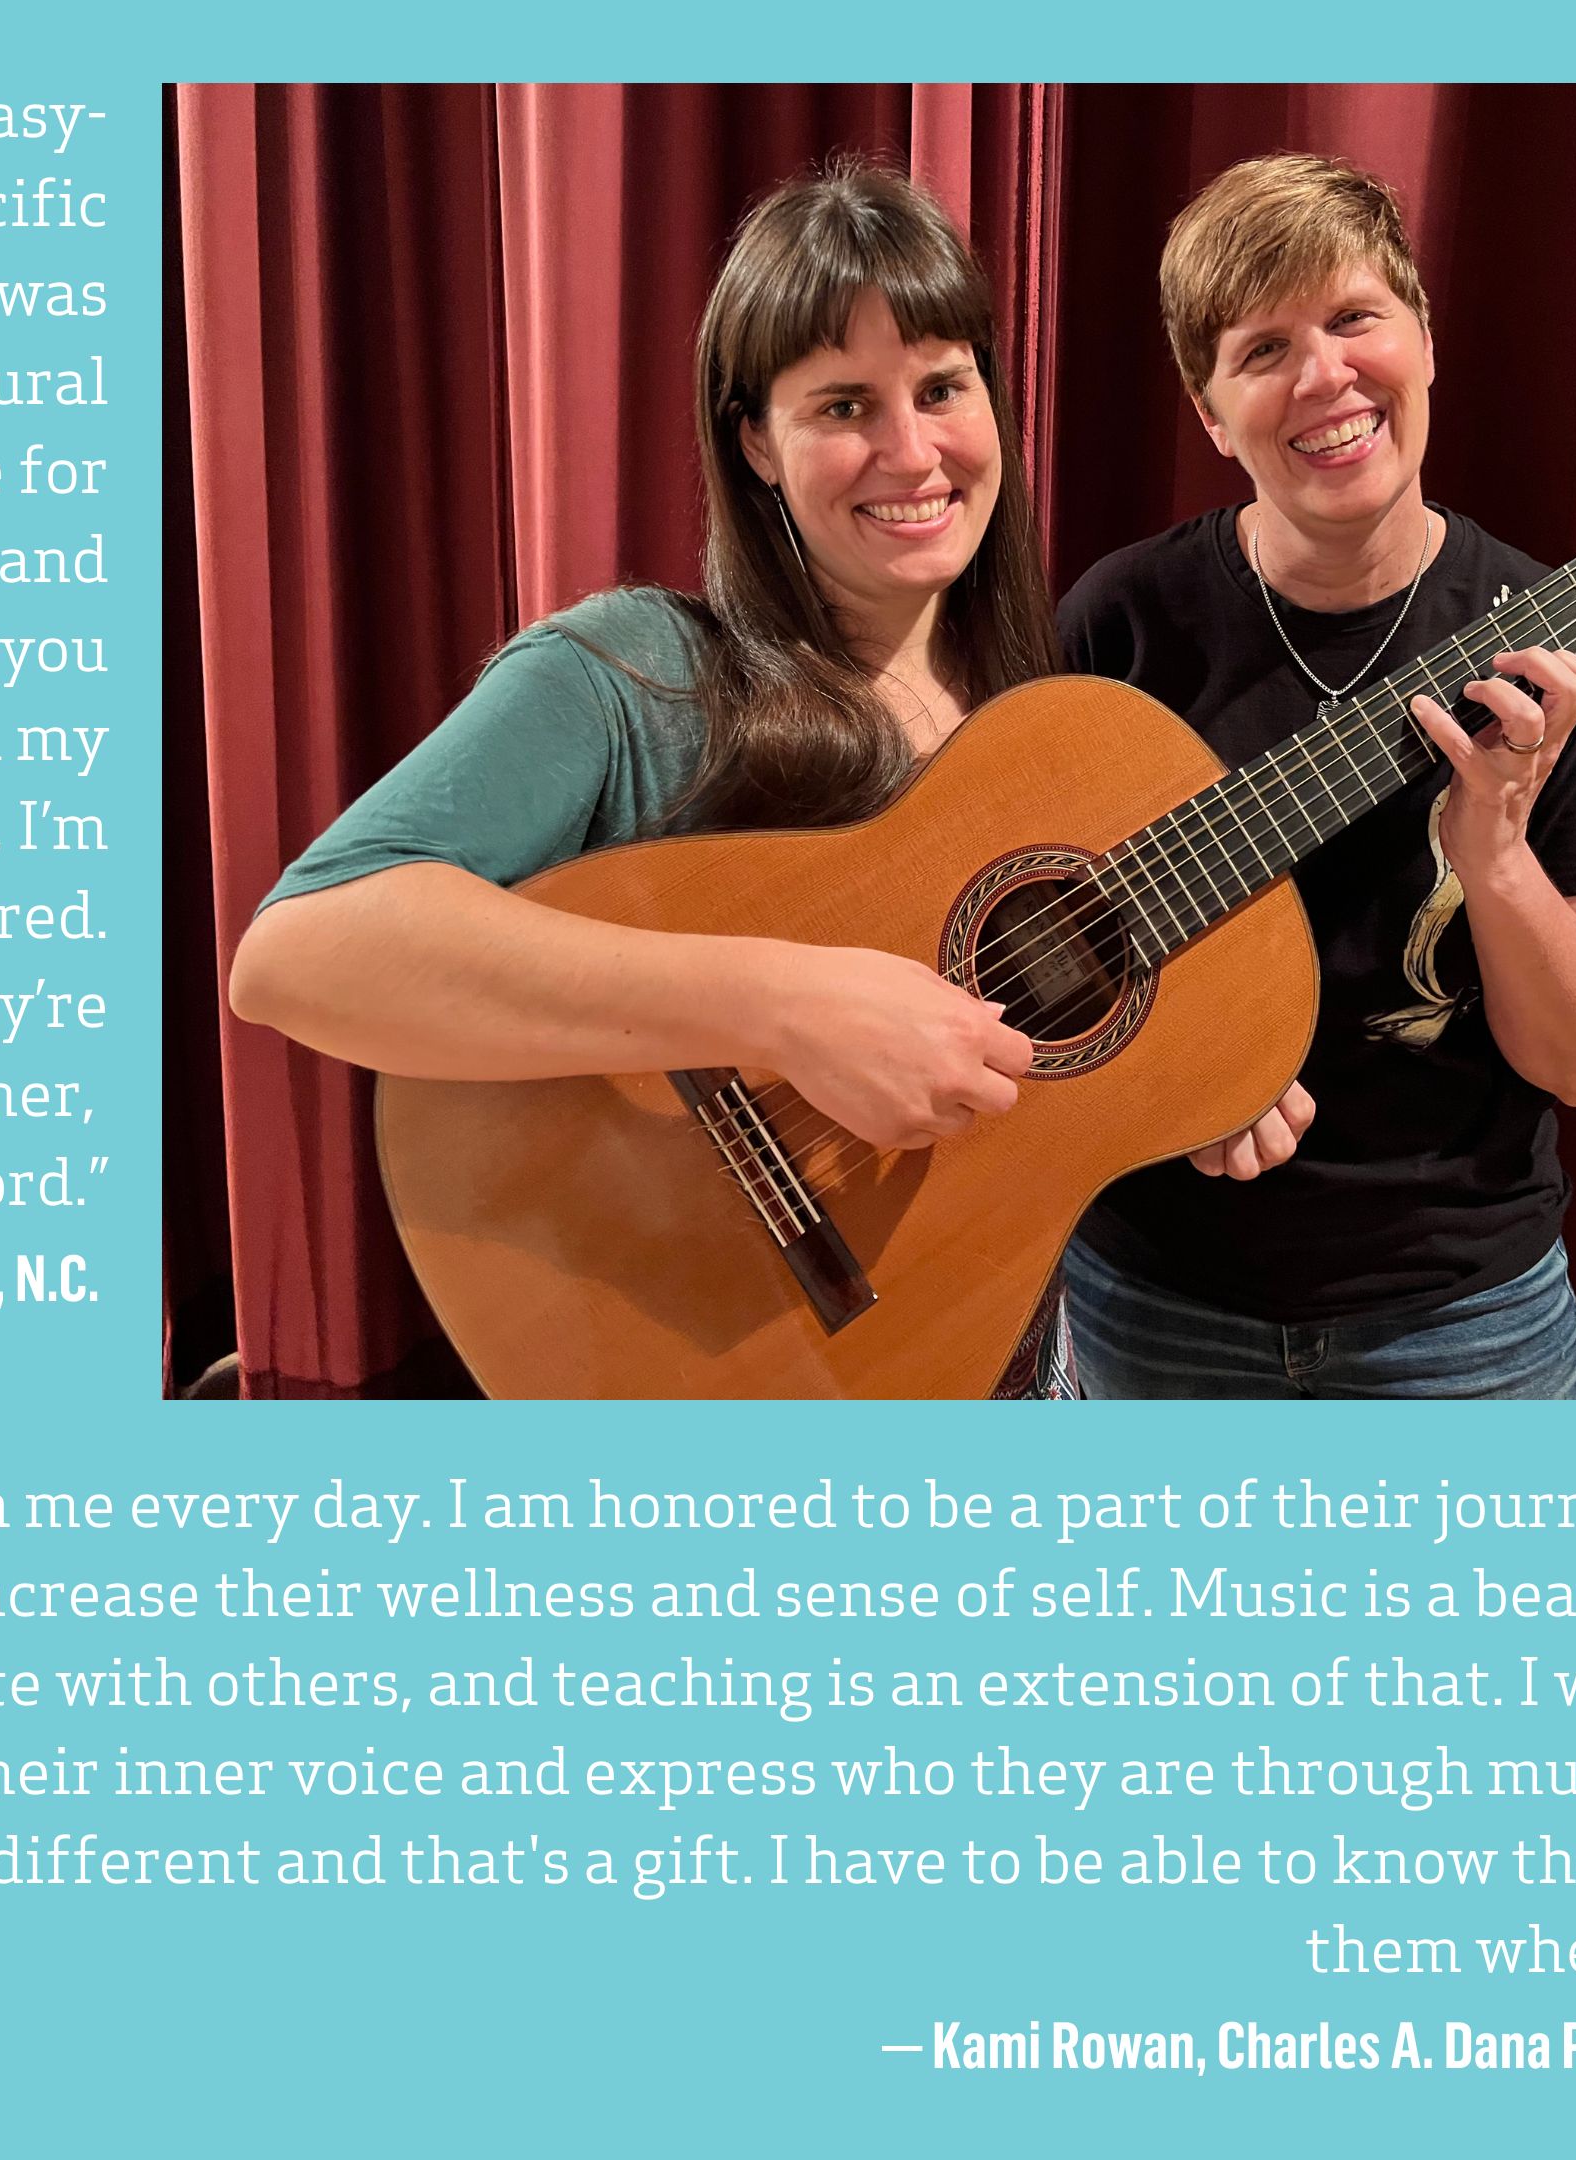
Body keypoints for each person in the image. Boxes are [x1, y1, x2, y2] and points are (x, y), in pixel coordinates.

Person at [226, 159, 1067, 1393]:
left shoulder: (1038, 715)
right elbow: (297, 954)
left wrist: (1193, 1087)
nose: (911, 449)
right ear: (757, 447)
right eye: (841, 406)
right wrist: (785, 1007)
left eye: (943, 385)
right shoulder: (639, 672)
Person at [1055, 153, 1576, 1398]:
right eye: (1263, 348)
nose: (1325, 375)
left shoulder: (1557, 647)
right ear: (1212, 415)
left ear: (1426, 343)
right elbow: (1015, 963)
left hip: (1463, 1329)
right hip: (1156, 1309)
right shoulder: (1121, 624)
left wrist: (1493, 852)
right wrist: (1174, 1083)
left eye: (1353, 318)